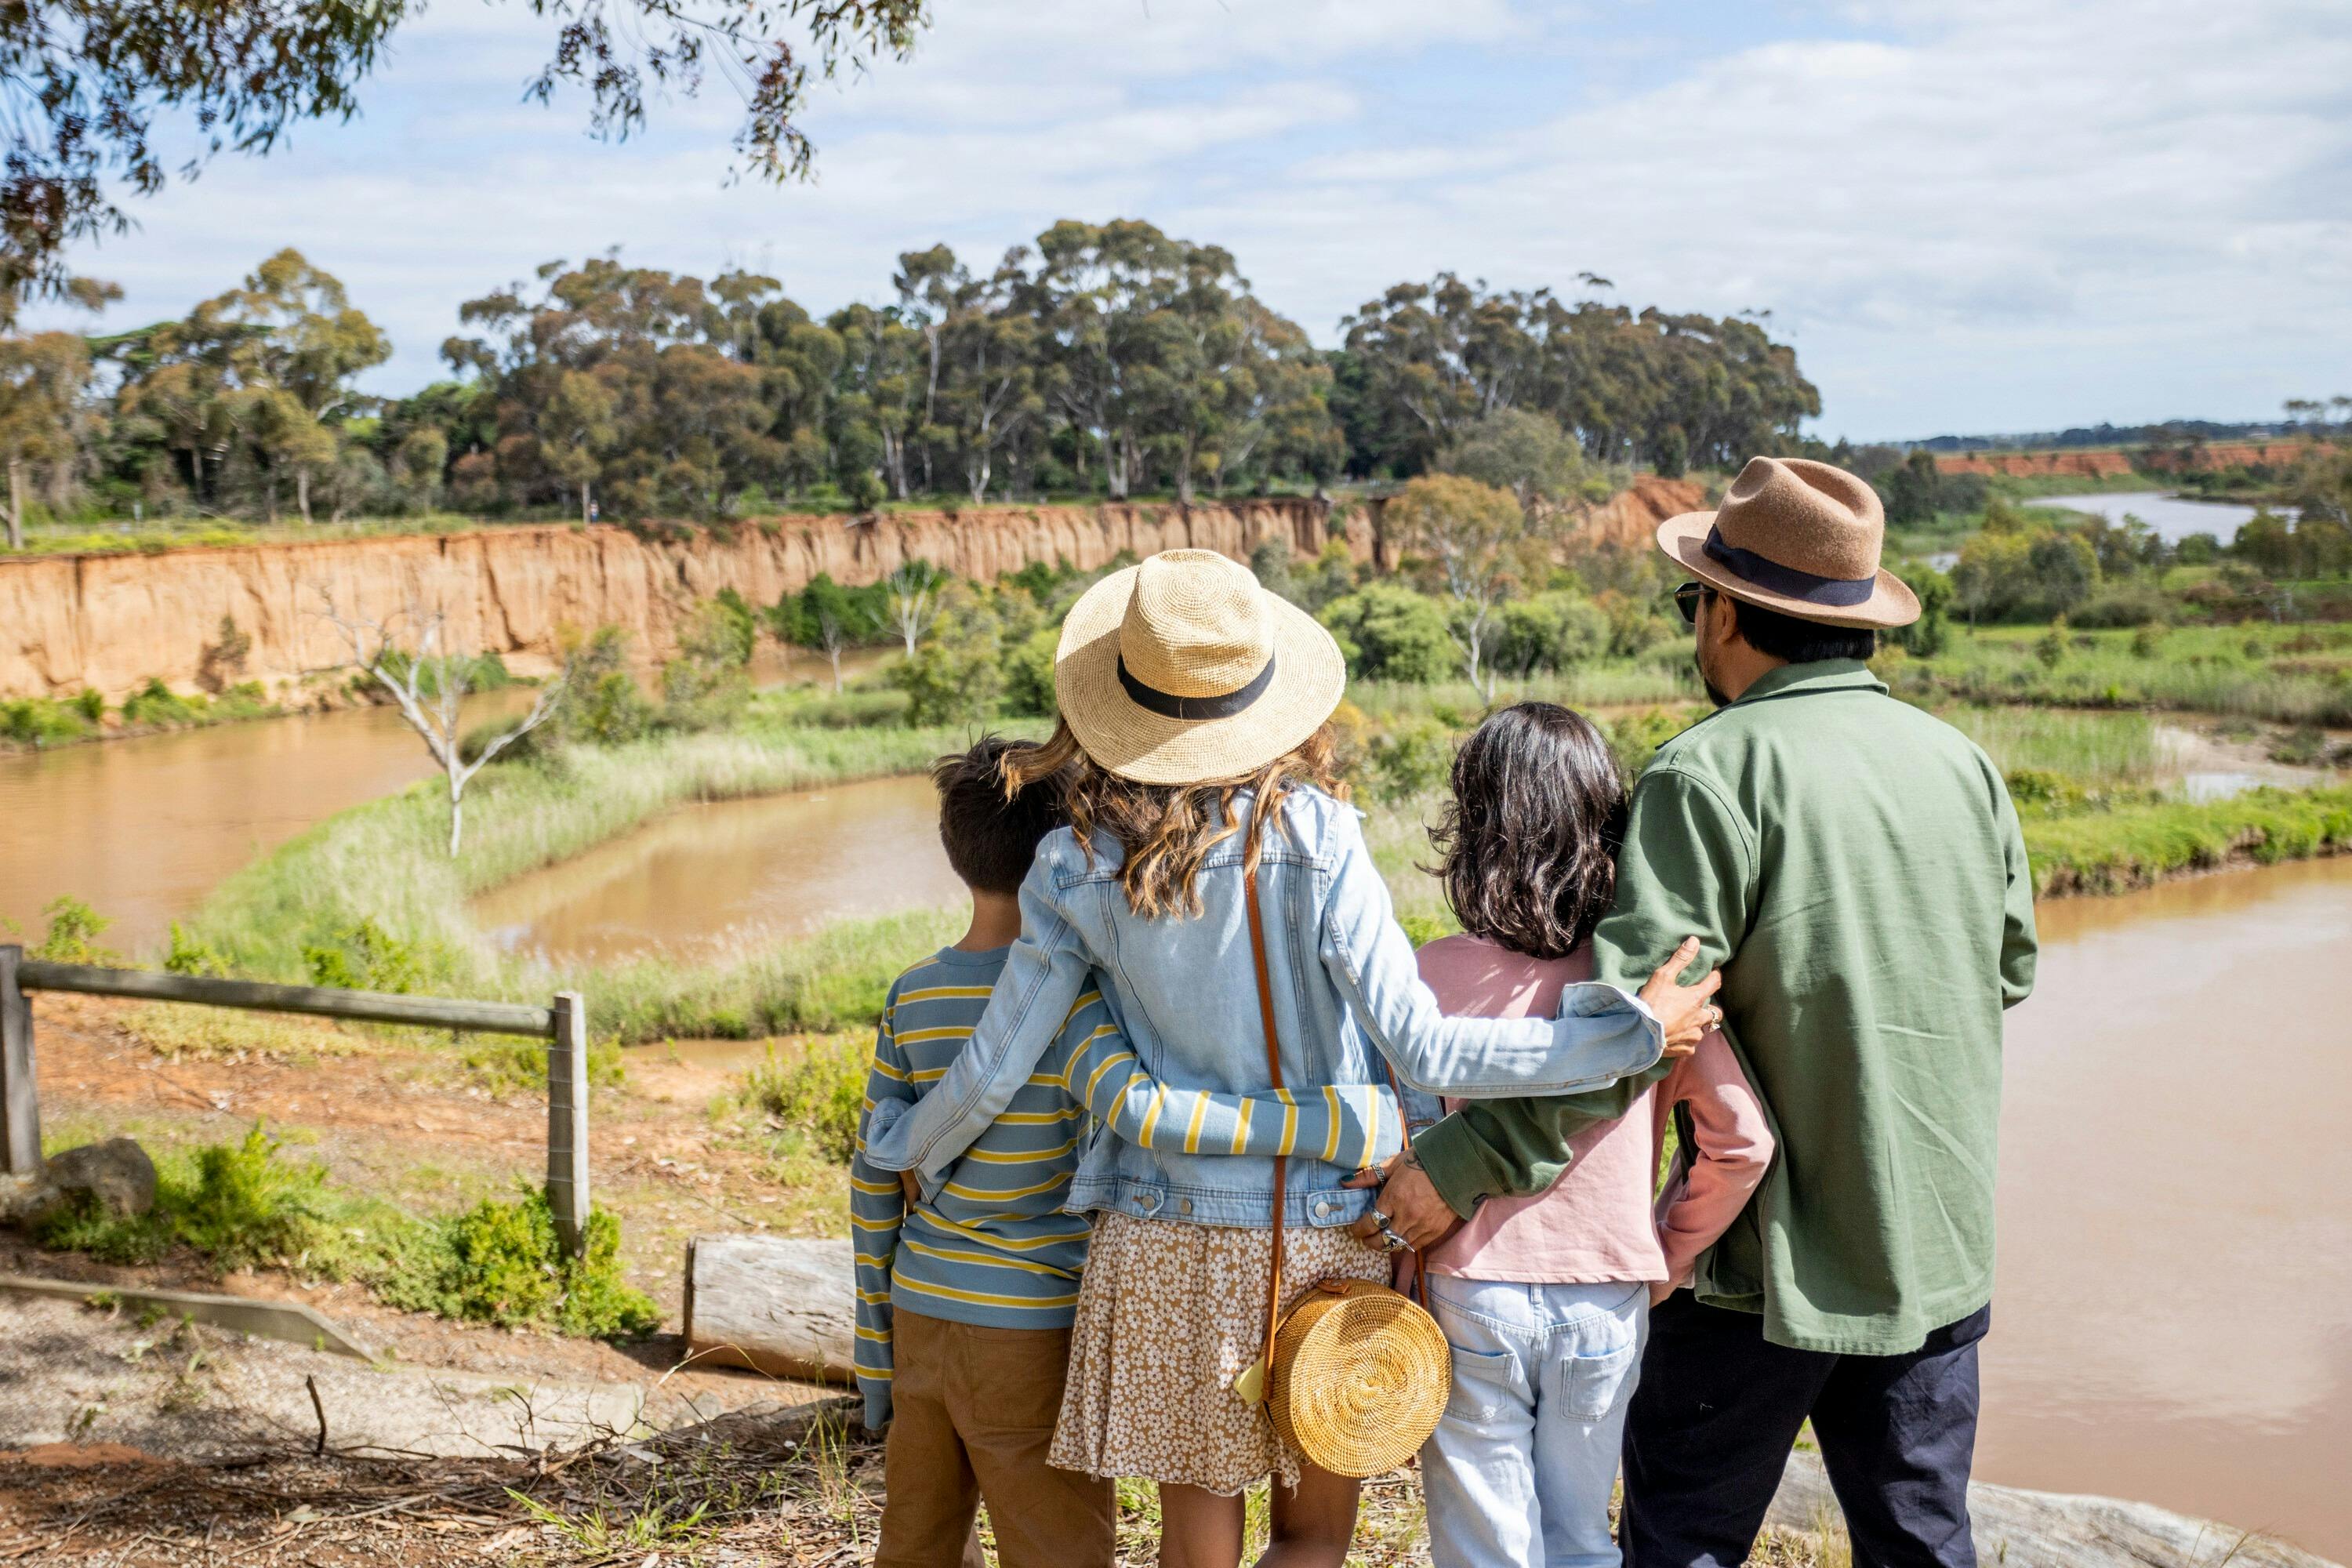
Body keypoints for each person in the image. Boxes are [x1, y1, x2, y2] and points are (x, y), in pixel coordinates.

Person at [862, 550, 1722, 1568]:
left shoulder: (1071, 863)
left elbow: (997, 1063)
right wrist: (1627, 1032)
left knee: (1196, 1551)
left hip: (1164, 1240)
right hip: (1322, 1228)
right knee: (1313, 1538)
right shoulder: (1319, 834)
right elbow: (1425, 1046)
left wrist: (901, 1146)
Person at [1363, 458, 2038, 1568]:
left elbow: (1633, 1032)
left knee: (1684, 1538)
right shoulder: (1964, 766)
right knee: (1921, 1540)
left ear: (1724, 611)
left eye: (1694, 601)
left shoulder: (1705, 773)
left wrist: (1462, 1163)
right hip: (1935, 1245)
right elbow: (2008, 968)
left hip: (1759, 1269)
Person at [851, 736, 1407, 1568]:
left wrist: (877, 1362)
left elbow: (873, 1189)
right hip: (1037, 1324)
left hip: (922, 1310)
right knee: (1060, 1548)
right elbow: (1132, 1125)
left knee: (917, 1545)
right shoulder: (1081, 996)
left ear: (954, 849)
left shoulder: (913, 994)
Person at [1400, 702, 1773, 1568]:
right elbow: (1742, 1142)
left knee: (1487, 1545)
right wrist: (1665, 1255)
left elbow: (1397, 1139)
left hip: (1469, 1289)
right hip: (1607, 1294)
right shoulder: (1652, 992)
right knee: (1578, 1539)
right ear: (1608, 828)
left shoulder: (1430, 974)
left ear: (1475, 826)